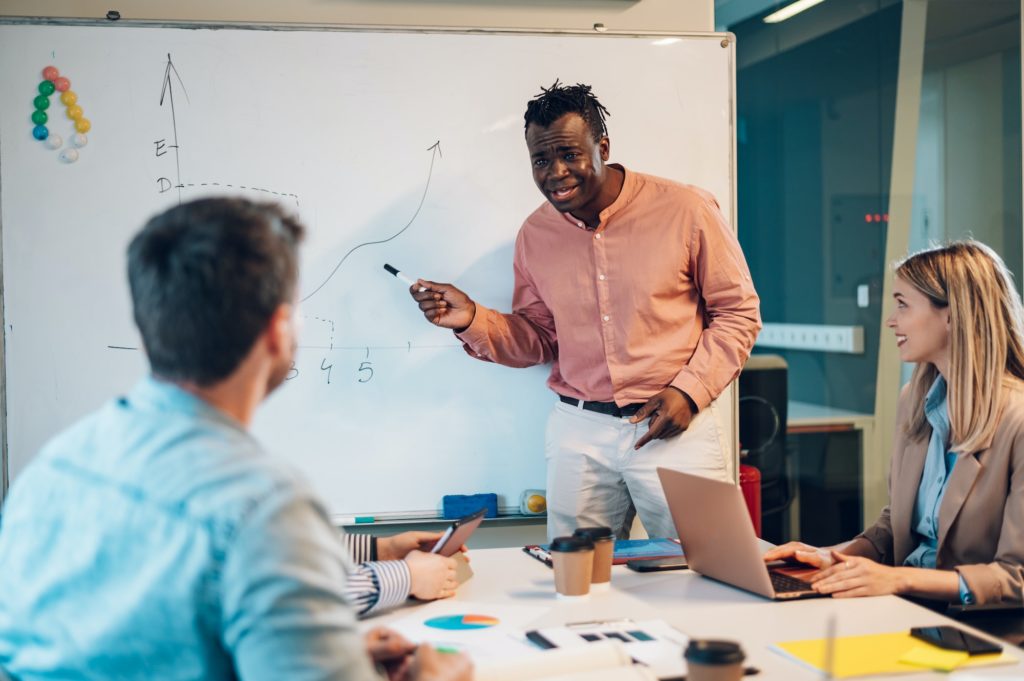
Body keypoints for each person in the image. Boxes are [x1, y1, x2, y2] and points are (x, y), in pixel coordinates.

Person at [0, 198, 472, 680]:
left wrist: (320, 653)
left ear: (148, 326)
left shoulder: (51, 467)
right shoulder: (262, 506)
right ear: (277, 331)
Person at [408, 82, 762, 539]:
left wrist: (690, 392)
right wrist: (472, 318)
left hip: (674, 425)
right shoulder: (535, 234)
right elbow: (539, 338)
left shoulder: (686, 209)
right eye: (540, 160)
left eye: (569, 154)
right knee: (577, 582)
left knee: (702, 568)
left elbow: (738, 312)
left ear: (603, 147)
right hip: (580, 432)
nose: (555, 172)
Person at [765, 240, 1024, 606]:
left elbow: (1017, 577)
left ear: (952, 315)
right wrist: (836, 556)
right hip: (908, 607)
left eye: (902, 305)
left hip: (979, 628)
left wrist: (897, 579)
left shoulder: (1017, 420)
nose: (890, 320)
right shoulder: (915, 401)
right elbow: (896, 524)